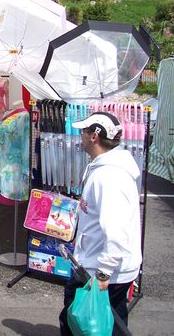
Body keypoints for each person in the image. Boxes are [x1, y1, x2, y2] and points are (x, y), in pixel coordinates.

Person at [59, 112, 142, 335]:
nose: (81, 136)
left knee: (80, 321)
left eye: (84, 132)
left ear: (95, 136)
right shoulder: (103, 168)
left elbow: (116, 230)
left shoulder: (109, 177)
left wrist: (103, 274)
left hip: (101, 271)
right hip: (98, 264)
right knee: (106, 323)